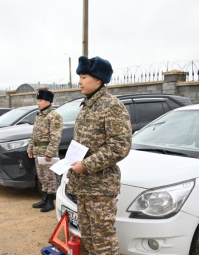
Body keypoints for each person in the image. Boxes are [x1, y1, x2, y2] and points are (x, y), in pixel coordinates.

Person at [66, 56, 132, 254]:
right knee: (88, 238)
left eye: (84, 76)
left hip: (100, 188)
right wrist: (71, 175)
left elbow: (120, 146)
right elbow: (79, 145)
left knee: (103, 242)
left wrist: (86, 165)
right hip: (84, 185)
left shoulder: (111, 106)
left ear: (98, 79)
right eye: (79, 77)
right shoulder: (87, 106)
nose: (79, 81)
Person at [27, 90, 63, 212]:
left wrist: (50, 153)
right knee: (42, 177)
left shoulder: (54, 116)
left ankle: (50, 202)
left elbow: (56, 137)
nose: (38, 103)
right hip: (38, 152)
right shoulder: (40, 115)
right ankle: (44, 198)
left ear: (48, 101)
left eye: (40, 101)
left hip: (47, 153)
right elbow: (34, 134)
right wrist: (30, 148)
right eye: (38, 101)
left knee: (50, 177)